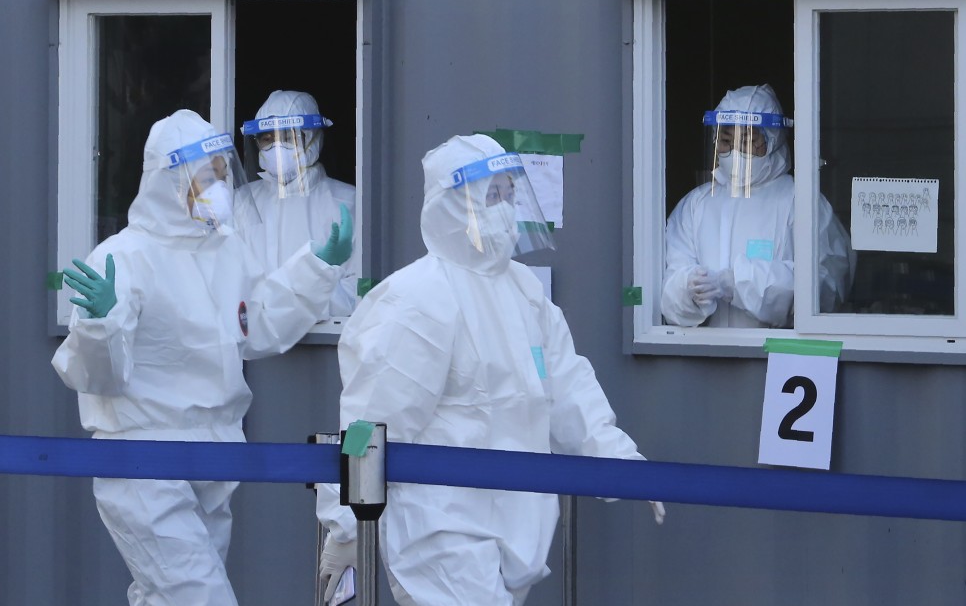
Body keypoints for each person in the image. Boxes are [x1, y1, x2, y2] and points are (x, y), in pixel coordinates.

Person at [316, 133, 665, 605]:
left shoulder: (524, 291)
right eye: (491, 196)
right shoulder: (418, 299)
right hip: (439, 529)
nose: (504, 208)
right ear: (453, 207)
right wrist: (343, 526)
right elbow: (370, 420)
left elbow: (567, 388)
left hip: (517, 527)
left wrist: (620, 462)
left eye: (509, 194)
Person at [51, 109, 353, 606]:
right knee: (201, 598)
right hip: (145, 459)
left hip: (216, 453)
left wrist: (317, 267)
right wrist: (101, 325)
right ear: (169, 182)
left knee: (164, 597)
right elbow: (95, 375)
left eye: (220, 172)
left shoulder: (226, 249)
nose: (218, 185)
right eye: (206, 175)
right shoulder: (125, 257)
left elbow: (257, 322)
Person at [660, 84, 853, 328]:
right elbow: (667, 291)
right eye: (726, 140)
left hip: (777, 356)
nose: (734, 152)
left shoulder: (800, 202)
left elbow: (826, 287)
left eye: (748, 140)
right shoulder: (696, 205)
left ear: (773, 140)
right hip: (704, 356)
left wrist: (739, 282)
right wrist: (688, 290)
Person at [237, 90, 359, 317]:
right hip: (252, 346)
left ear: (314, 139)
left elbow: (362, 292)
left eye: (288, 137)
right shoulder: (241, 204)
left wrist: (292, 304)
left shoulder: (347, 203)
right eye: (267, 139)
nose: (276, 147)